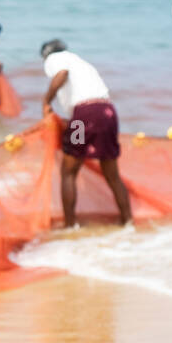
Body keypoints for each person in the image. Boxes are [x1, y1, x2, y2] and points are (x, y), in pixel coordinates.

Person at [40, 39, 132, 228]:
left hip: (83, 118)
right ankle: (128, 222)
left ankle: (69, 226)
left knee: (68, 171)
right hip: (107, 113)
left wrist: (46, 102)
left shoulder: (55, 59)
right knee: (112, 174)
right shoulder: (80, 62)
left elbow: (61, 74)